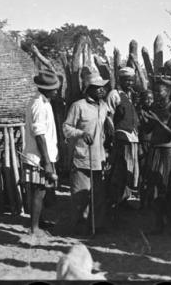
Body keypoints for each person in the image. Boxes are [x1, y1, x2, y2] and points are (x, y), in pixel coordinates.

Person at [63, 68, 110, 235]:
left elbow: (104, 131)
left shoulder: (104, 107)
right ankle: (78, 228)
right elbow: (66, 128)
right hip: (82, 157)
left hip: (99, 158)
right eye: (97, 87)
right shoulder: (78, 106)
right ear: (88, 89)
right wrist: (81, 134)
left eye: (103, 87)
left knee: (97, 196)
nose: (102, 90)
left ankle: (96, 227)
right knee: (79, 197)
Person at [22, 70, 60, 237]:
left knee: (43, 190)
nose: (57, 91)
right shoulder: (38, 104)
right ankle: (34, 227)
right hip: (38, 157)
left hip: (45, 155)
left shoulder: (45, 102)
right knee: (39, 191)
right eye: (54, 89)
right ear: (44, 89)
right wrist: (46, 161)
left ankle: (39, 222)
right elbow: (39, 135)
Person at [143, 82, 171, 234]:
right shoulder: (154, 108)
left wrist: (157, 121)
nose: (158, 95)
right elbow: (148, 129)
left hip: (169, 153)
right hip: (155, 151)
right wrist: (145, 120)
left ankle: (170, 222)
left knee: (169, 188)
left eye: (161, 92)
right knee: (154, 189)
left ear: (168, 91)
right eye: (156, 92)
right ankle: (159, 224)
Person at [106, 67, 140, 211]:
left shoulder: (130, 95)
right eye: (126, 80)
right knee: (119, 170)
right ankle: (114, 202)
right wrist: (112, 136)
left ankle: (124, 199)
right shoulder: (114, 94)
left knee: (129, 171)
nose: (129, 83)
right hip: (122, 138)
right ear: (120, 80)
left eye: (131, 80)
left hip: (132, 137)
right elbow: (108, 117)